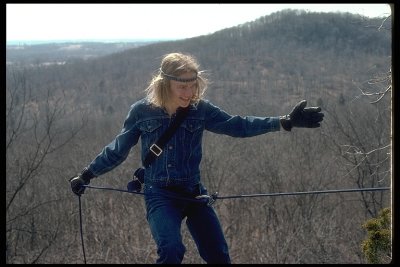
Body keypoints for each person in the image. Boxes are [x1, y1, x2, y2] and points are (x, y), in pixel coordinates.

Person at [70, 52, 324, 264]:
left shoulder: (200, 110)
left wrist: (285, 122)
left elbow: (237, 125)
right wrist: (86, 174)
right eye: (182, 86)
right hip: (159, 194)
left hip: (193, 193)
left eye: (193, 86)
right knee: (171, 250)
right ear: (164, 84)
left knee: (218, 255)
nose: (189, 92)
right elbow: (117, 149)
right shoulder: (142, 112)